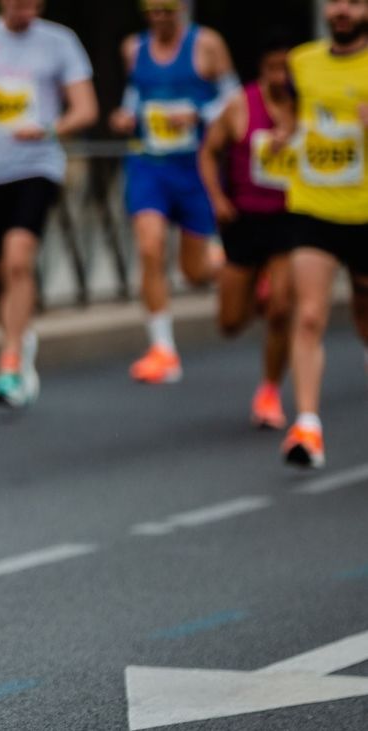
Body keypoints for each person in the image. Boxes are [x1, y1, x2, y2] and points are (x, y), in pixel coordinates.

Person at [0, 0, 98, 408]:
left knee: (18, 261)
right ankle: (18, 335)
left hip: (35, 167)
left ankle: (9, 361)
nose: (27, 6)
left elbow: (86, 109)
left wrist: (48, 128)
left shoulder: (60, 41)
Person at [110, 0, 238, 385]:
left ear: (182, 8)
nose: (159, 19)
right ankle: (162, 349)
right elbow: (135, 95)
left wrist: (198, 115)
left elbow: (233, 100)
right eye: (151, 11)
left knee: (194, 272)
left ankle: (234, 268)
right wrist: (124, 116)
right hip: (149, 164)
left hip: (194, 167)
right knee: (150, 247)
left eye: (166, 11)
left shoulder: (207, 44)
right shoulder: (133, 48)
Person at [280, 0, 368, 469]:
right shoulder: (302, 62)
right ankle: (308, 426)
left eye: (353, 2)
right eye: (335, 1)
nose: (342, 10)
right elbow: (295, 117)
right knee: (309, 314)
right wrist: (283, 134)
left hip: (365, 210)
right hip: (313, 206)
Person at [197, 35, 298, 429]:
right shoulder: (240, 105)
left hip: (291, 219)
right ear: (261, 70)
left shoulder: (308, 108)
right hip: (245, 219)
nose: (281, 75)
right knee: (229, 323)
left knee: (281, 310)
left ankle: (270, 391)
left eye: (287, 68)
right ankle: (255, 288)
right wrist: (217, 199)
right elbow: (207, 151)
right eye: (273, 67)